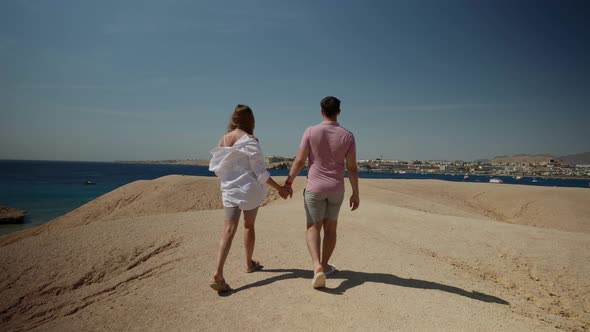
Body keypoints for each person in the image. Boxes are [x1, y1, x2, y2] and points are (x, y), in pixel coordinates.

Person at [208, 104, 291, 292]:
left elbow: (217, 168)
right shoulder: (250, 140)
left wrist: (230, 179)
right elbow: (260, 172)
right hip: (248, 189)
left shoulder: (223, 139)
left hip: (229, 190)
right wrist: (280, 189)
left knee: (228, 229)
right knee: (248, 225)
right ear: (250, 120)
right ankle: (248, 264)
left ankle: (219, 273)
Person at [284, 96, 359, 289]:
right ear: (339, 112)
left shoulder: (310, 131)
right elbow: (351, 167)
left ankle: (317, 266)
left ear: (321, 111)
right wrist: (355, 192)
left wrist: (289, 181)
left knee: (313, 227)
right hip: (335, 188)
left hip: (315, 187)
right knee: (331, 229)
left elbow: (300, 161)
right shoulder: (348, 136)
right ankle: (324, 265)